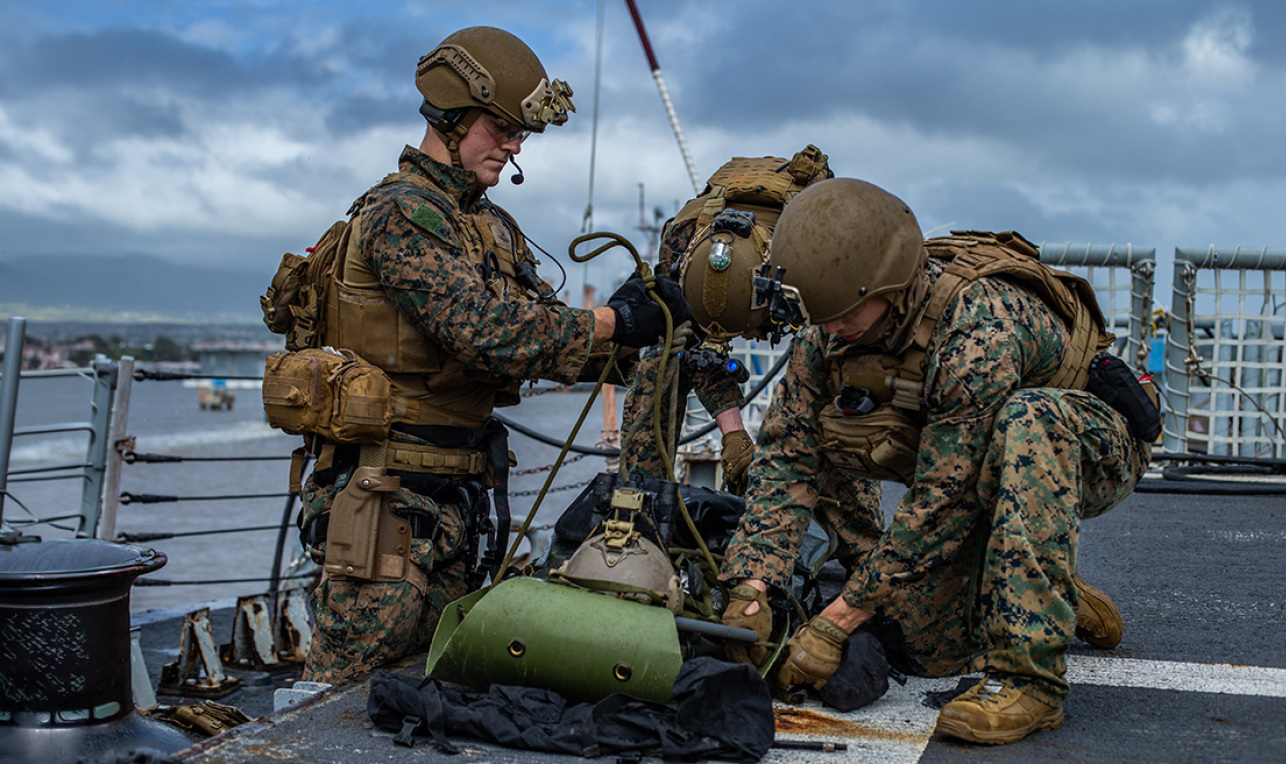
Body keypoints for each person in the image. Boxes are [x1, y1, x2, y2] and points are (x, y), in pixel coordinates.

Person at [290, 27, 690, 684]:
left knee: (434, 690)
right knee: (343, 702)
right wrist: (611, 320)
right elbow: (482, 330)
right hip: (386, 506)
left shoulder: (492, 226)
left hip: (455, 501)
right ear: (452, 115)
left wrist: (654, 334)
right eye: (501, 127)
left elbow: (543, 333)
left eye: (519, 133)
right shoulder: (403, 214)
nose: (514, 146)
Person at [719, 178, 1153, 744]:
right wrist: (754, 586)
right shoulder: (826, 336)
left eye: (841, 312)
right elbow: (786, 459)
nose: (829, 329)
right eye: (818, 317)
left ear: (889, 283)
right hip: (978, 470)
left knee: (1029, 418)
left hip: (1088, 447)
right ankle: (1038, 579)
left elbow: (941, 505)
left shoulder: (976, 329)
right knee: (930, 652)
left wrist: (836, 621)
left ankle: (1032, 681)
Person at [619, 146, 833, 494]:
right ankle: (640, 501)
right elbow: (692, 343)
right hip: (697, 257)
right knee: (660, 360)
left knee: (832, 384)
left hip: (816, 284)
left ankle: (844, 528)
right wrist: (734, 434)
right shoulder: (682, 243)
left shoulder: (813, 253)